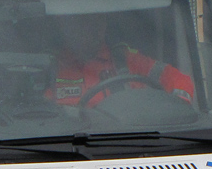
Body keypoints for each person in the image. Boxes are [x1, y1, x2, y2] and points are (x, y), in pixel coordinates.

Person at [49, 12, 194, 107]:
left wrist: (177, 105)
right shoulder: (50, 67)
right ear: (66, 26)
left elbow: (179, 79)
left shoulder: (126, 59)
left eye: (99, 20)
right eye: (84, 21)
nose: (93, 28)